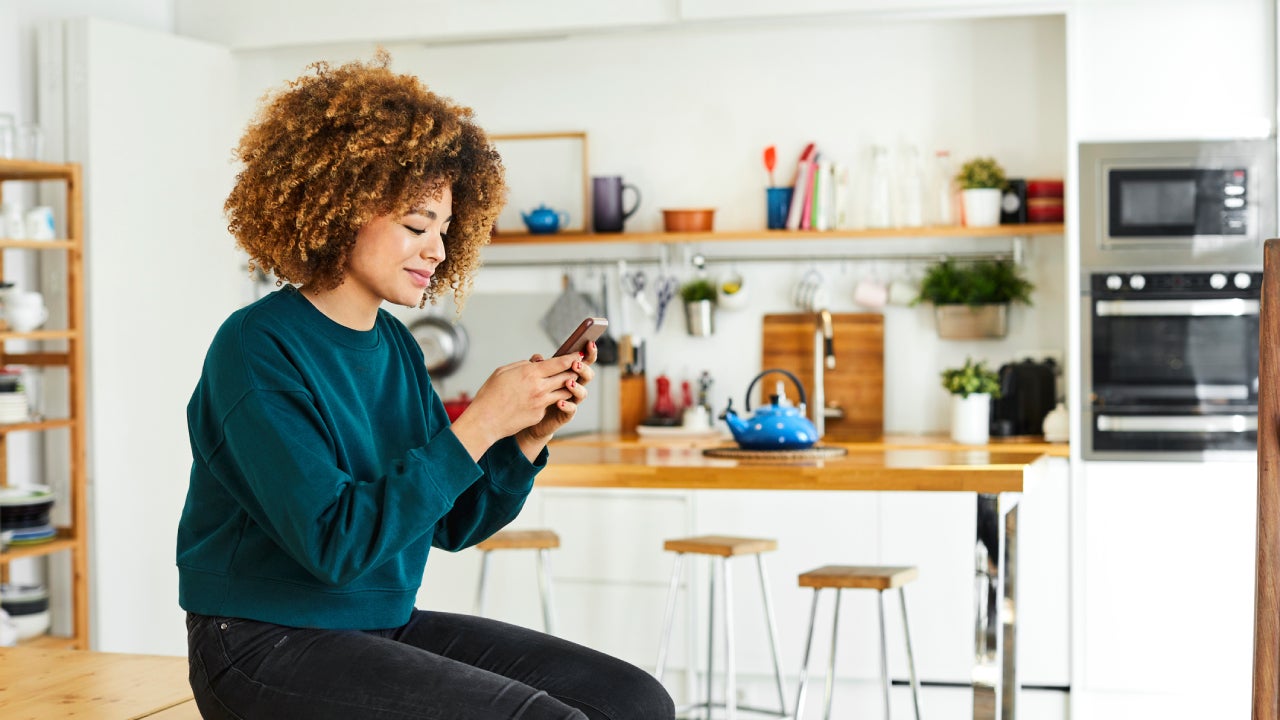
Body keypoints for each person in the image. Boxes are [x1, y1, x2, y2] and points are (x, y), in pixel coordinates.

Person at [176, 52, 675, 720]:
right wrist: (478, 424)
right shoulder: (257, 348)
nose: (438, 251)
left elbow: (454, 522)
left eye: (444, 228)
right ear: (340, 207)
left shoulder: (399, 351)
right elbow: (335, 544)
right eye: (416, 226)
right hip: (259, 644)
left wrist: (521, 438)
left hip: (377, 624)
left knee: (633, 701)